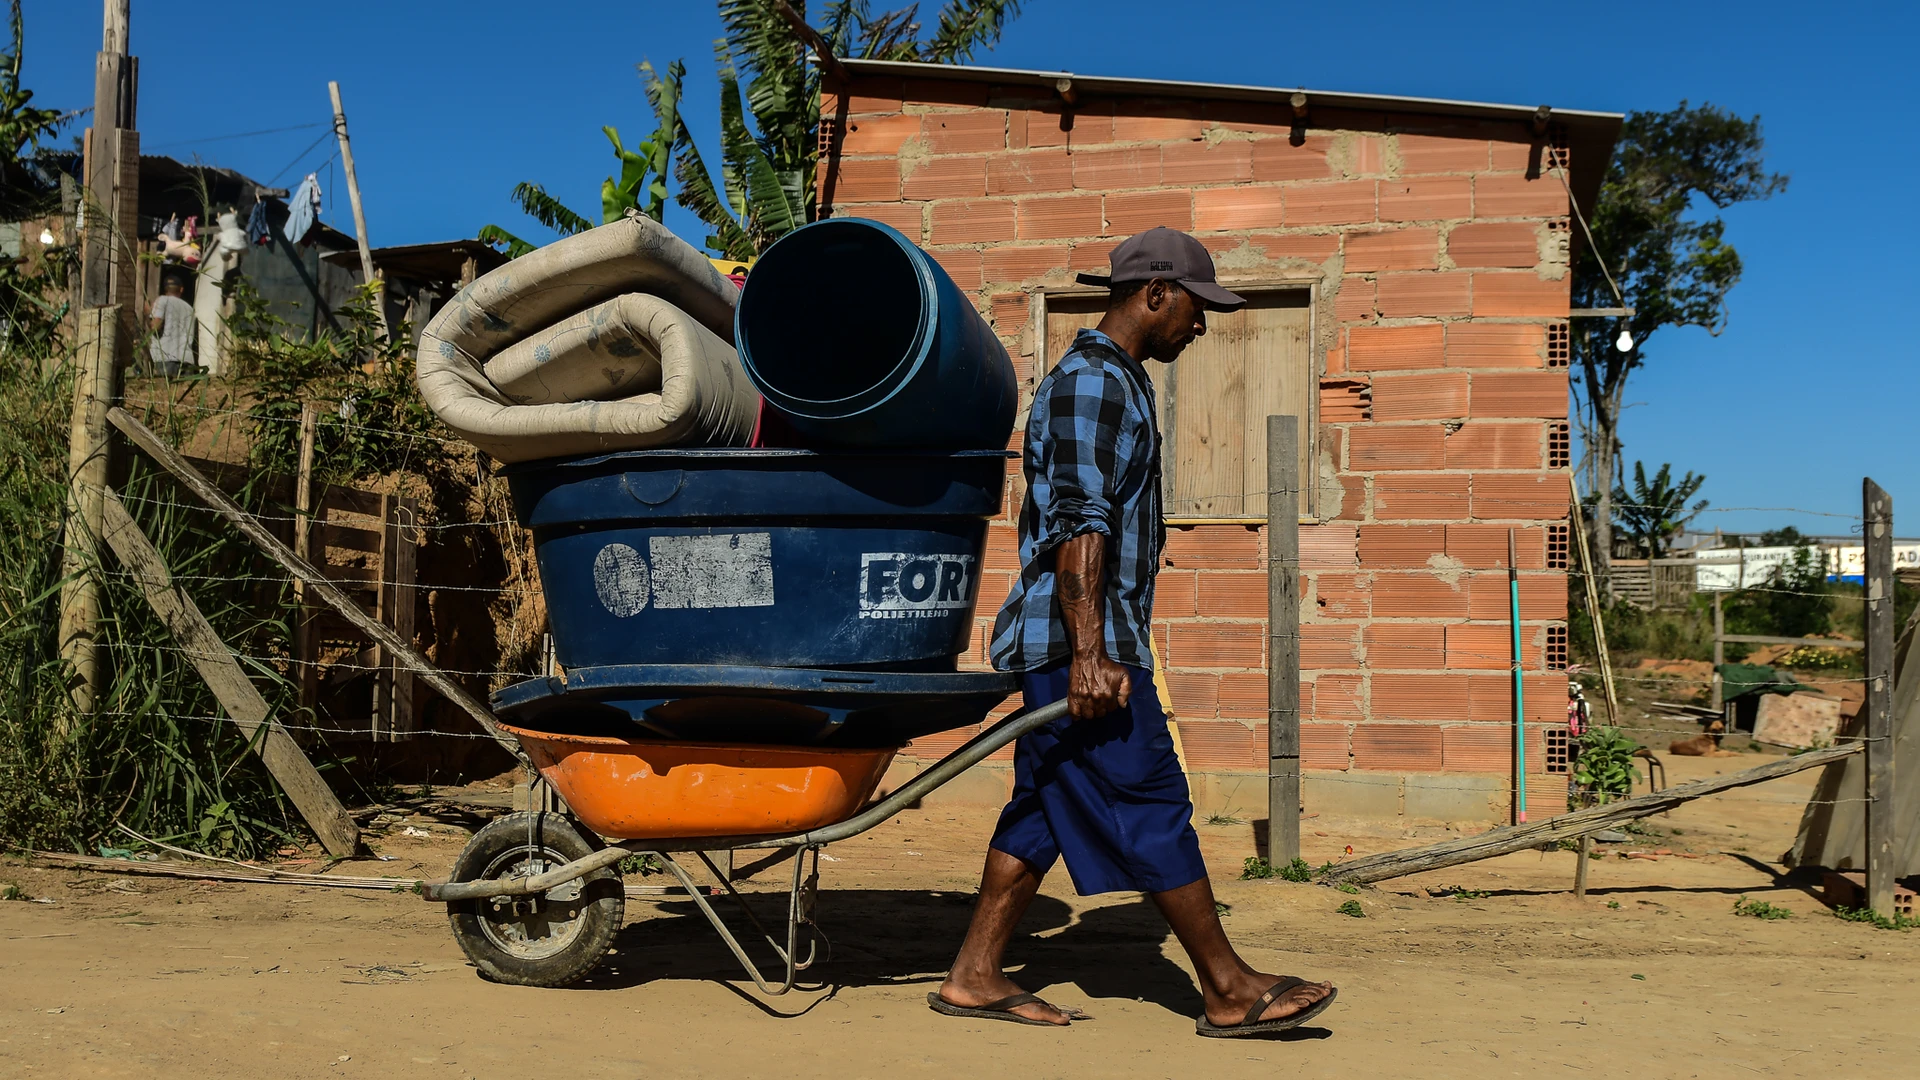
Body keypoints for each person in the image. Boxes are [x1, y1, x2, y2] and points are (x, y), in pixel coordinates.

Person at [930, 228, 1338, 1037]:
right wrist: (1091, 655)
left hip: (1078, 642)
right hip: (1082, 645)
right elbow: (1081, 527)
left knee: (1040, 811)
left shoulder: (1110, 381)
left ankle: (975, 973)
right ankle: (1226, 987)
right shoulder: (1094, 384)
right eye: (1197, 306)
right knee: (1151, 797)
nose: (1203, 324)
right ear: (1155, 293)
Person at [148, 276, 196, 376]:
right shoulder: (189, 308)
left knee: (164, 390)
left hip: (165, 357)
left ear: (164, 289)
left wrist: (146, 313)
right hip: (186, 359)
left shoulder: (162, 300)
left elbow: (155, 327)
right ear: (181, 289)